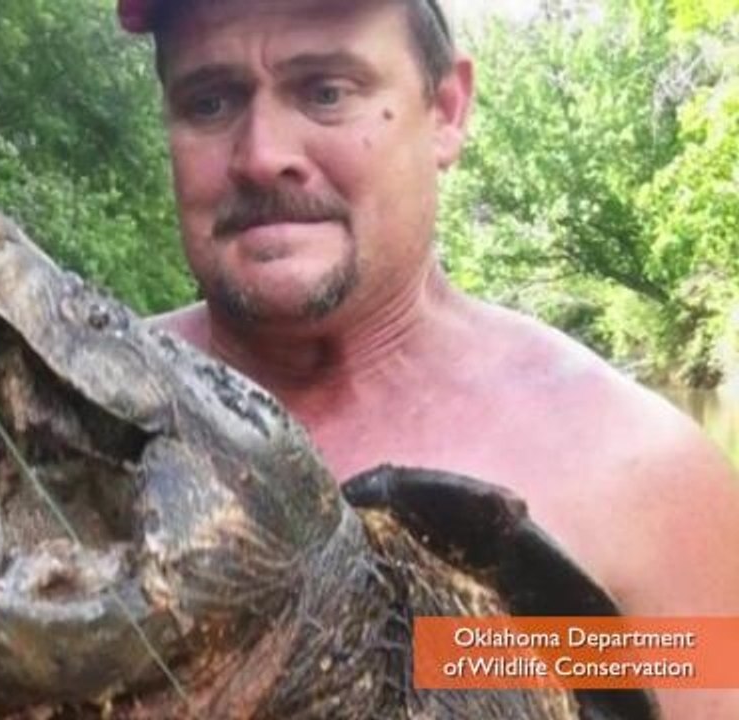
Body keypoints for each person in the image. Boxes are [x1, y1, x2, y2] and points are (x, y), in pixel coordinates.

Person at [116, 0, 739, 717]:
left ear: (445, 110)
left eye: (326, 92)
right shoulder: (72, 421)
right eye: (210, 101)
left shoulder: (640, 478)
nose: (261, 154)